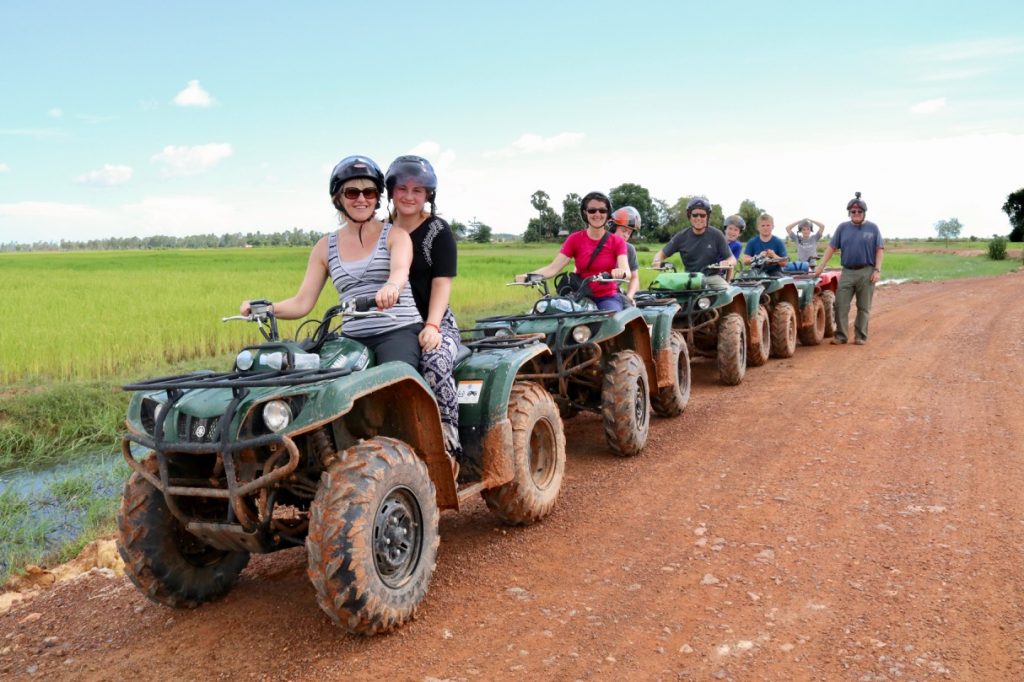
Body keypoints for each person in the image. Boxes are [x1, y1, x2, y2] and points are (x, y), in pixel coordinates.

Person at [239, 155, 422, 368]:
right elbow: (302, 302)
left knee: (396, 381)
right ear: (339, 199)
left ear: (377, 198)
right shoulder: (325, 247)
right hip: (352, 339)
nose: (361, 199)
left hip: (397, 331)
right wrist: (266, 308)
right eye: (352, 192)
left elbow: (400, 271)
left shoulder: (396, 236)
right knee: (323, 386)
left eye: (369, 192)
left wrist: (391, 287)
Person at [385, 154, 462, 462]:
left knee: (434, 362)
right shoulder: (382, 232)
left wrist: (432, 325)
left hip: (435, 321)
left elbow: (442, 283)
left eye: (418, 190)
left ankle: (448, 446)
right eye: (402, 188)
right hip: (393, 324)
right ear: (391, 190)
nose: (408, 196)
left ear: (428, 195)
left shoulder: (436, 231)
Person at [518, 192, 630, 311]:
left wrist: (620, 272)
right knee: (552, 316)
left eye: (602, 210)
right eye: (592, 210)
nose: (597, 214)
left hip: (607, 297)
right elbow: (553, 268)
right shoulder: (574, 239)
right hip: (579, 295)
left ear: (607, 214)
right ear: (585, 213)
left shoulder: (617, 241)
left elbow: (627, 272)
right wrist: (528, 276)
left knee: (611, 320)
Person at [813, 192, 884, 345]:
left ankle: (860, 336)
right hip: (847, 272)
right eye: (853, 212)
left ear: (864, 213)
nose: (856, 214)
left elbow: (879, 250)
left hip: (867, 271)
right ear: (849, 213)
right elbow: (831, 247)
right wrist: (821, 265)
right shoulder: (842, 228)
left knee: (864, 307)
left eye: (859, 212)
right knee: (840, 304)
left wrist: (877, 270)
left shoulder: (873, 228)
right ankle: (841, 335)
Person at [651, 196, 736, 287]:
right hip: (689, 278)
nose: (698, 218)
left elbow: (732, 259)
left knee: (728, 295)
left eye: (702, 215)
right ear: (689, 217)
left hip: (711, 278)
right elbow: (661, 254)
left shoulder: (717, 235)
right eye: (695, 215)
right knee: (666, 296)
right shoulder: (681, 237)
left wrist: (727, 263)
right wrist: (657, 261)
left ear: (707, 217)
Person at [610, 206, 642, 303]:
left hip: (613, 294)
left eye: (629, 233)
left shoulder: (630, 249)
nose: (626, 235)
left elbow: (634, 277)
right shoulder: (600, 244)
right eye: (623, 231)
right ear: (613, 228)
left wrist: (630, 297)